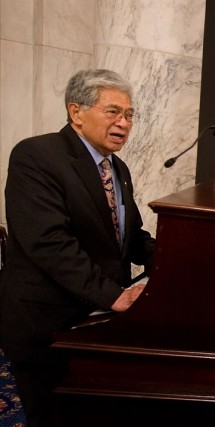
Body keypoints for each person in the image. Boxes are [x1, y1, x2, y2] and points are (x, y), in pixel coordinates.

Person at [0, 69, 156, 426]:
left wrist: (180, 258)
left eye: (129, 115)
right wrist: (112, 296)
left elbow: (130, 238)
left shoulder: (118, 168)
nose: (124, 123)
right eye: (113, 111)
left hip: (96, 324)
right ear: (76, 112)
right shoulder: (35, 156)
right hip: (47, 326)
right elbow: (48, 243)